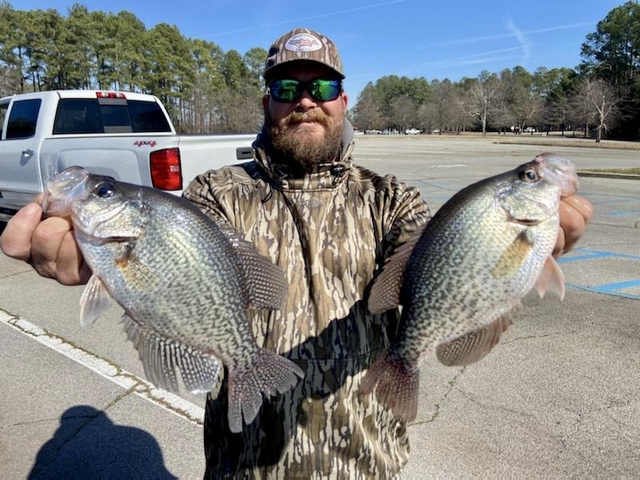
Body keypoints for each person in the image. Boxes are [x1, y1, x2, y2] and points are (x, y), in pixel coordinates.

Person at [1, 27, 593, 479]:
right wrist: (87, 259)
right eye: (287, 87)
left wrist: (503, 253)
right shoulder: (213, 195)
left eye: (322, 86)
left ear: (343, 101)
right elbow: (173, 264)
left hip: (368, 464)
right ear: (267, 103)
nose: (305, 100)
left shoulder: (391, 199)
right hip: (244, 467)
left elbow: (440, 258)